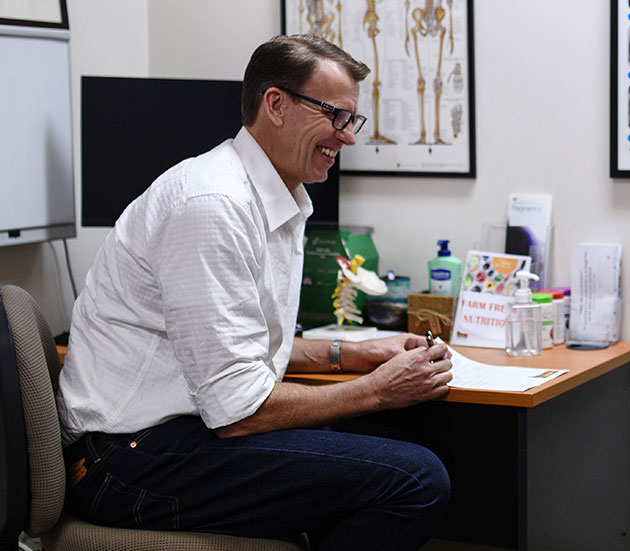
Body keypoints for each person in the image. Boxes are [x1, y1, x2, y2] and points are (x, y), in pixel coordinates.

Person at [57, 35, 451, 550]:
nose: (346, 137)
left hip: (179, 435)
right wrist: (378, 389)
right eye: (335, 115)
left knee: (406, 447)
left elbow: (246, 346)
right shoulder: (213, 204)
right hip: (128, 462)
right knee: (416, 479)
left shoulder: (275, 198)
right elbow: (237, 409)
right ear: (276, 104)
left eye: (350, 120)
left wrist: (355, 354)